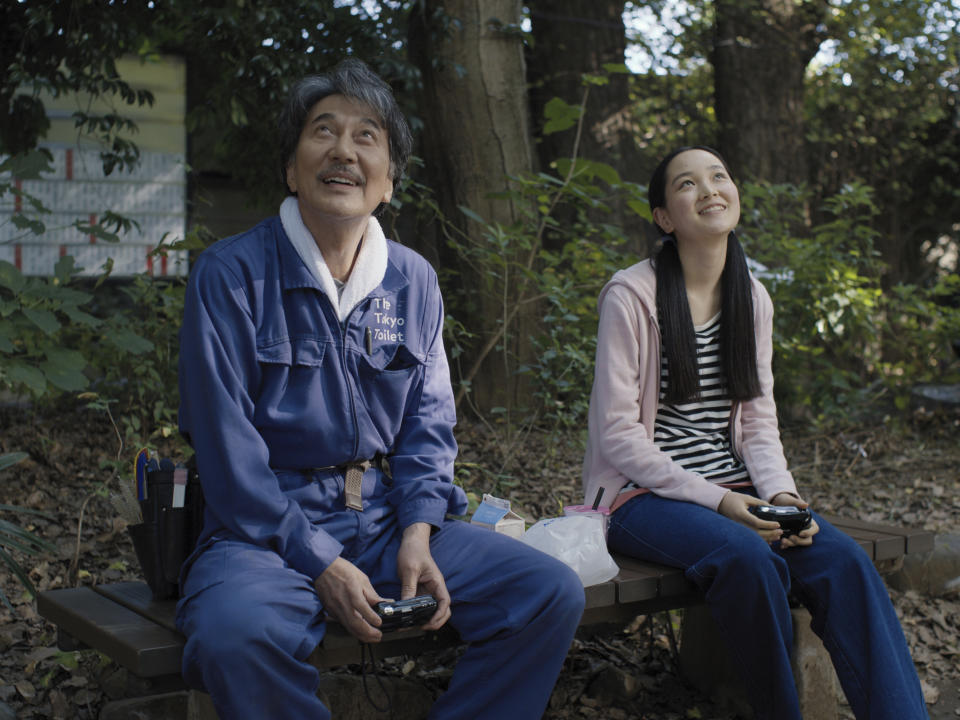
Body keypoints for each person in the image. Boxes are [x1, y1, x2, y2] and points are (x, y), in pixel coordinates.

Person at [175, 58, 585, 720]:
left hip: (385, 518)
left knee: (548, 592)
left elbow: (429, 426)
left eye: (368, 135)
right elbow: (227, 455)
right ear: (291, 168)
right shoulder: (230, 275)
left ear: (389, 181)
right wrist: (320, 563)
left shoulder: (412, 280)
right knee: (233, 635)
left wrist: (419, 531)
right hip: (263, 532)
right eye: (323, 131)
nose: (343, 149)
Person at [581, 146, 928, 720]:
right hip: (640, 498)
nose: (710, 189)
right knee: (748, 558)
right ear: (665, 217)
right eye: (687, 184)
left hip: (738, 488)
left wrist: (784, 497)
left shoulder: (752, 298)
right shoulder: (632, 296)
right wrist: (722, 501)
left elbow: (759, 423)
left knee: (842, 562)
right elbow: (619, 436)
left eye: (719, 176)